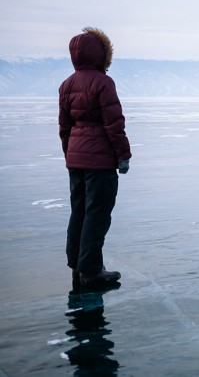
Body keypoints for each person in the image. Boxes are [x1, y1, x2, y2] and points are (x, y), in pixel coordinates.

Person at [58, 27, 132, 287]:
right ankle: (90, 270)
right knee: (97, 213)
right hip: (100, 162)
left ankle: (77, 262)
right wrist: (123, 156)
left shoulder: (67, 84)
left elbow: (64, 127)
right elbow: (114, 124)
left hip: (76, 160)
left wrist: (70, 153)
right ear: (102, 54)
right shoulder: (103, 83)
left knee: (79, 210)